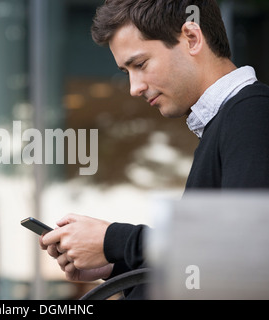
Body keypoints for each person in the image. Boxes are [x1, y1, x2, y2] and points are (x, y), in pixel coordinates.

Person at [39, 0, 269, 299]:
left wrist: (114, 241)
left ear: (192, 38)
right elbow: (205, 275)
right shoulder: (232, 119)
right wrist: (118, 267)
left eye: (140, 64)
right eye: (127, 72)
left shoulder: (250, 113)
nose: (134, 87)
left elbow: (247, 254)